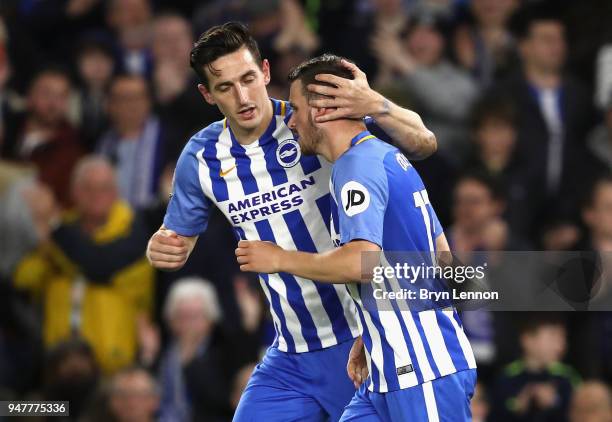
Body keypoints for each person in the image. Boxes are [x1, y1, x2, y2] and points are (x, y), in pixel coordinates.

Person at [146, 22, 437, 422]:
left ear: (265, 72)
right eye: (225, 87)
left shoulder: (313, 123)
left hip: (357, 339)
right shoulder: (200, 158)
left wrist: (375, 103)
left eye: (248, 78)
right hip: (289, 353)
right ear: (206, 94)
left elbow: (423, 143)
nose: (244, 96)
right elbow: (177, 235)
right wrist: (161, 245)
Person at [236, 54, 476, 421]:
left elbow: (360, 262)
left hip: (422, 370)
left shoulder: (356, 168)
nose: (290, 119)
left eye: (296, 108)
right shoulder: (383, 156)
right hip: (386, 370)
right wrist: (378, 327)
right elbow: (441, 259)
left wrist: (279, 259)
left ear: (321, 111)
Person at [13, 156, 154, 374]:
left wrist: (54, 231)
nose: (96, 195)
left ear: (116, 192)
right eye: (87, 188)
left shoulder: (134, 234)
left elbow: (98, 266)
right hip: (58, 362)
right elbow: (24, 279)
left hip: (111, 364)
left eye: (104, 188)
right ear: (74, 192)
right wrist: (46, 248)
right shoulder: (61, 231)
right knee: (21, 409)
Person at [490, 314, 580, 422]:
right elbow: (493, 414)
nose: (561, 345)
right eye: (552, 337)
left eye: (563, 338)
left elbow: (583, 413)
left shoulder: (567, 376)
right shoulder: (506, 377)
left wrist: (555, 402)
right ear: (527, 340)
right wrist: (518, 407)